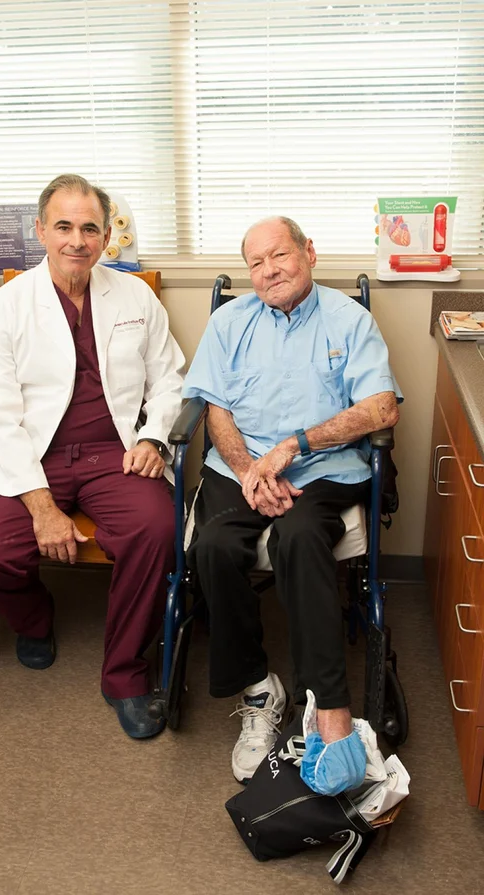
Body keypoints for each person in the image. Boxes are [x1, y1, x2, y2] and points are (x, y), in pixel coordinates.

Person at [0, 174, 185, 739]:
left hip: (117, 454)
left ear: (107, 235)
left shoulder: (135, 296)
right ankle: (35, 619)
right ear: (41, 231)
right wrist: (40, 507)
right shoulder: (5, 307)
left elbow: (171, 378)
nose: (76, 241)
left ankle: (125, 674)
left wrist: (154, 437)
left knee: (157, 529)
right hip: (34, 459)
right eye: (64, 226)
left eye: (89, 228)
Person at [183, 216, 402, 788]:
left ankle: (326, 708)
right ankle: (259, 689)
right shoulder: (230, 321)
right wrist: (249, 468)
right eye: (256, 263)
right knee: (212, 546)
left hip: (325, 466)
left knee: (299, 536)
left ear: (308, 251)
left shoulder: (349, 320)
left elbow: (381, 410)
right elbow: (216, 410)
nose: (268, 270)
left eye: (279, 255)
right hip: (244, 466)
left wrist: (293, 446)